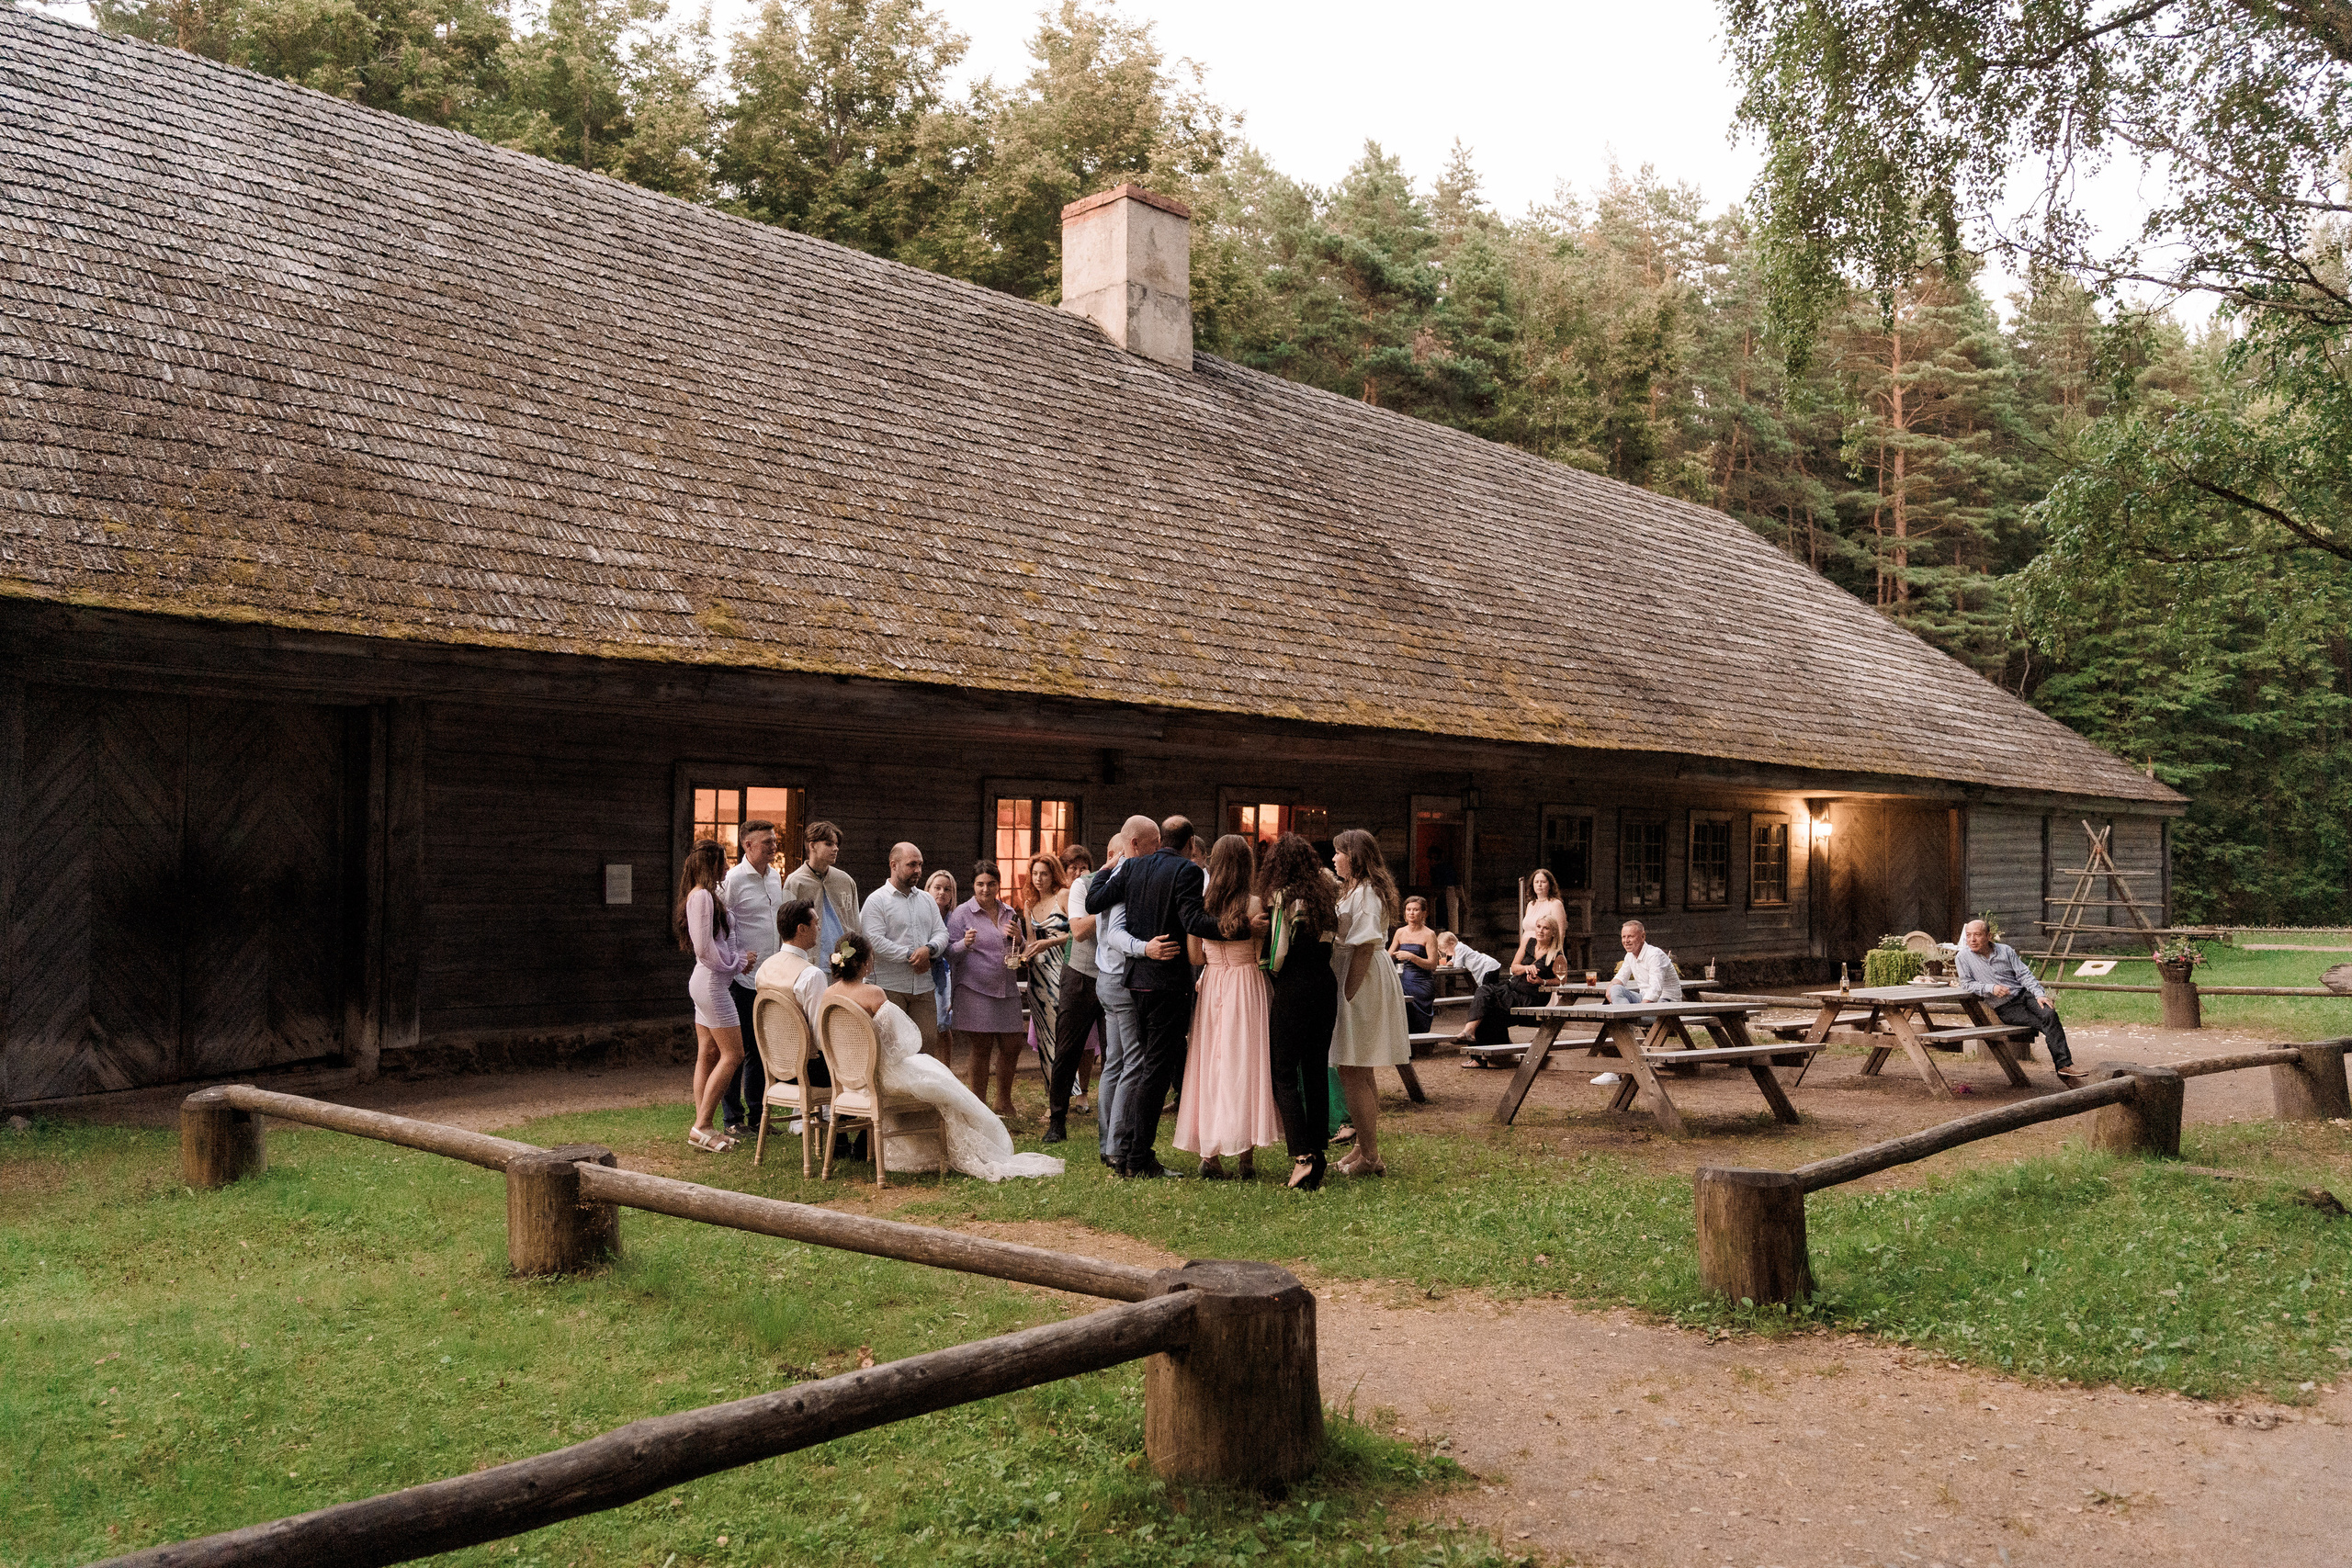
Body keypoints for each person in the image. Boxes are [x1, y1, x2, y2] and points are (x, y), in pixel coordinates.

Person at [820, 932, 1063, 1181]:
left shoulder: (828, 995)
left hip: (848, 1080)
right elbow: (898, 1043)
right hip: (878, 1078)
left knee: (935, 1073)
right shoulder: (873, 994)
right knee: (942, 1081)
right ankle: (945, 1151)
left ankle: (920, 1149)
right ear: (864, 963)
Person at [1083, 814, 1202, 1179]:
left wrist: (1107, 870)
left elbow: (1094, 901)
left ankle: (1124, 1149)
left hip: (1136, 982)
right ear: (1190, 844)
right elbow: (1193, 921)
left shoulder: (1132, 870)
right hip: (1160, 979)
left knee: (1133, 1065)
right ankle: (1133, 1155)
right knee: (1148, 1069)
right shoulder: (1184, 871)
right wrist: (1237, 926)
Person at [1175, 833, 1282, 1179]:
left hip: (1212, 982)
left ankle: (1211, 1154)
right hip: (1246, 983)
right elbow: (1263, 953)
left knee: (1212, 1065)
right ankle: (1245, 1157)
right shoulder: (1254, 906)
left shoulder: (1199, 905)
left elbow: (1194, 956)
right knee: (1246, 1064)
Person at [1258, 831, 1340, 1190]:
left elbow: (1278, 951)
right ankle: (1319, 1151)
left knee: (1283, 1071)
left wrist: (1268, 972)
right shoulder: (1326, 896)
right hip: (1325, 983)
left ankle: (1302, 1156)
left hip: (1295, 984)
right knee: (1315, 1068)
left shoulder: (1283, 898)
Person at [1329, 828, 1410, 1178]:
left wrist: (1348, 993)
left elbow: (1363, 945)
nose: (1333, 859)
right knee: (1360, 1067)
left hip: (1361, 977)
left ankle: (1371, 1156)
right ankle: (1364, 1144)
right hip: (1361, 973)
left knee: (1352, 1067)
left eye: (1338, 853)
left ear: (1355, 856)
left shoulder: (1364, 895)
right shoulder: (1358, 890)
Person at [674, 838, 752, 1152]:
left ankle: (701, 1126)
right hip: (712, 984)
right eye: (723, 862)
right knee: (734, 1054)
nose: (727, 867)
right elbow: (705, 949)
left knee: (708, 1052)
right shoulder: (703, 897)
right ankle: (703, 1125)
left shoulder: (705, 895)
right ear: (711, 865)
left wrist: (735, 962)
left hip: (707, 982)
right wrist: (738, 963)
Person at [718, 818, 786, 1140]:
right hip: (742, 979)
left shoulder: (775, 877)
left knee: (761, 1050)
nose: (774, 846)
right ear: (747, 845)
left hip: (771, 978)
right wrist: (736, 958)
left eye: (774, 841)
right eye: (767, 842)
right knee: (738, 1047)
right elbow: (721, 924)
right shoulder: (733, 880)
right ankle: (732, 1117)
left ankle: (759, 1115)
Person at [1957, 918, 2086, 1084]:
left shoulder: (2006, 951)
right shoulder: (1963, 957)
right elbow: (1966, 984)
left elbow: (2024, 974)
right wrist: (1991, 988)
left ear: (1988, 936)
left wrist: (2039, 994)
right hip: (2005, 1007)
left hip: (2025, 995)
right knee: (2045, 1023)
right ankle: (2063, 1067)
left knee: (2049, 1013)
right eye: (1968, 935)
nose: (1972, 940)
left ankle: (2063, 1066)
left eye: (1977, 935)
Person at [947, 863, 1029, 1117]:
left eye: (991, 884)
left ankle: (1003, 1101)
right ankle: (978, 1107)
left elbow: (1021, 948)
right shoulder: (962, 914)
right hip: (974, 989)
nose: (985, 889)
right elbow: (948, 952)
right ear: (973, 886)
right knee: (981, 1047)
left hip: (1006, 987)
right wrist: (964, 943)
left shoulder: (1009, 911)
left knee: (1013, 1043)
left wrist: (1019, 935)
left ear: (998, 885)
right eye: (980, 884)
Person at [1090, 834, 1149, 1169]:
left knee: (1114, 1061)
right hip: (1119, 978)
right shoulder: (1124, 880)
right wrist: (1144, 948)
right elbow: (1115, 933)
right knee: (1133, 1062)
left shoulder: (1106, 878)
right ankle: (1116, 1145)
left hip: (1104, 977)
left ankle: (1106, 1142)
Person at [860, 843, 950, 1062]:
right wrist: (912, 955)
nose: (918, 870)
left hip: (924, 987)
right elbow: (873, 941)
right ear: (894, 865)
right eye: (912, 865)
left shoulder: (927, 900)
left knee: (926, 1047)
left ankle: (920, 1097)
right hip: (889, 988)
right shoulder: (877, 900)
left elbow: (942, 932)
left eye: (920, 865)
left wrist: (929, 950)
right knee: (892, 1051)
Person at [754, 898, 831, 1137]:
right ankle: (841, 1133)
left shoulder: (764, 969)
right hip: (809, 1071)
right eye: (816, 923)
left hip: (774, 1066)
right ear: (802, 929)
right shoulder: (811, 975)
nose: (819, 928)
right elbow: (820, 1036)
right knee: (863, 1066)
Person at [1046, 843, 1103, 1145]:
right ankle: (1057, 1119)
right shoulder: (1081, 888)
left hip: (1113, 977)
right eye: (1073, 867)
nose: (1079, 871)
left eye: (1084, 866)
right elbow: (1078, 930)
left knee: (1113, 1054)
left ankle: (1110, 1121)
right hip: (1079, 975)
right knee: (1067, 1049)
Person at [1020, 852, 1071, 1091]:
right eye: (1035, 874)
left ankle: (1062, 1095)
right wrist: (1022, 957)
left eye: (1044, 874)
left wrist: (1048, 943)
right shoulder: (1030, 904)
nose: (1039, 879)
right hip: (1037, 976)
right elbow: (1032, 943)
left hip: (1061, 972)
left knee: (1060, 1038)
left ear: (1054, 875)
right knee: (1045, 1039)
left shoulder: (1063, 896)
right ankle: (1055, 1095)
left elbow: (1078, 934)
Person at [783, 820, 863, 953]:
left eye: (836, 844)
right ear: (812, 846)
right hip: (808, 960)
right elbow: (786, 929)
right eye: (829, 844)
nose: (835, 848)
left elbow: (855, 923)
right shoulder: (796, 882)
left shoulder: (845, 880)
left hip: (842, 960)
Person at [1439, 931, 1511, 1047]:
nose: (1447, 953)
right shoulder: (1459, 948)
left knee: (1489, 1002)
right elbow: (1455, 959)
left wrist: (1451, 963)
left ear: (1452, 944)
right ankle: (1498, 1037)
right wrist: (1450, 962)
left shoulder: (1459, 948)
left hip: (1488, 968)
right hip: (1489, 967)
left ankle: (1482, 1034)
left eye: (1446, 951)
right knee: (1488, 1003)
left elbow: (1458, 964)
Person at [1389, 895, 1441, 1034]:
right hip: (1406, 979)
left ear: (1424, 913)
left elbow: (1432, 964)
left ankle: (1421, 1043)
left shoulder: (1429, 934)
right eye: (1408, 909)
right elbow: (1389, 956)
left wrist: (1411, 957)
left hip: (1422, 982)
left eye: (1416, 910)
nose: (1411, 913)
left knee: (1416, 1013)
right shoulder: (1400, 932)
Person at [1603, 919, 1683, 1005]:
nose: (1626, 941)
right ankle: (1626, 1016)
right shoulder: (1630, 955)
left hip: (1666, 1001)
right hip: (1643, 998)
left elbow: (1656, 989)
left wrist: (1640, 1009)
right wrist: (1610, 989)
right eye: (1623, 937)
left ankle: (1628, 1016)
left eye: (1630, 936)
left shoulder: (1655, 955)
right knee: (1615, 989)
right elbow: (1620, 978)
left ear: (1643, 936)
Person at [924, 870, 958, 1032]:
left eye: (947, 889)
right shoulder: (921, 916)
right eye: (937, 887)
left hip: (948, 975)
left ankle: (945, 1060)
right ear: (928, 889)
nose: (941, 892)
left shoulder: (956, 919)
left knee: (944, 1028)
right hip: (924, 972)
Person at [1521, 867, 1569, 946]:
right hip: (1525, 948)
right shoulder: (1531, 904)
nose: (1539, 885)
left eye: (1543, 882)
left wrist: (1555, 953)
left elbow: (1560, 933)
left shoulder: (1555, 904)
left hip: (1544, 949)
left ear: (1550, 885)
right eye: (1536, 882)